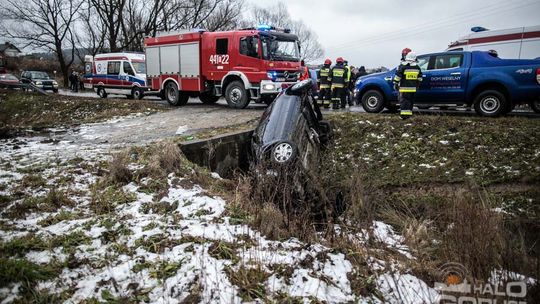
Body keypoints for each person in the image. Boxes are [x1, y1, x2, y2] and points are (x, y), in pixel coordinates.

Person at [393, 51, 422, 119]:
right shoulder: (417, 67)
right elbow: (420, 78)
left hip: (404, 88)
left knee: (404, 102)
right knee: (410, 101)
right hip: (413, 89)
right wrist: (417, 85)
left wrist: (395, 83)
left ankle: (404, 116)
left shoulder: (403, 67)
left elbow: (398, 76)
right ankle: (409, 114)